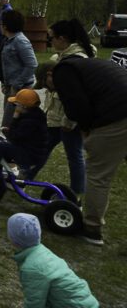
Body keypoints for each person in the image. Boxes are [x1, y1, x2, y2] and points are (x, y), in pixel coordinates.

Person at [41, 56, 127, 245]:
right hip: (120, 105)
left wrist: (88, 131)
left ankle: (92, 228)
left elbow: (77, 108)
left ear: (50, 74)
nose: (50, 90)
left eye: (47, 86)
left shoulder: (62, 72)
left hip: (117, 116)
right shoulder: (81, 65)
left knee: (98, 174)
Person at [34, 19, 95, 200]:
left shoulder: (75, 61)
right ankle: (25, 177)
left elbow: (76, 97)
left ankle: (76, 193)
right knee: (43, 147)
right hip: (57, 116)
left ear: (62, 38)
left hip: (67, 119)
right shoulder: (63, 56)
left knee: (74, 155)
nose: (49, 42)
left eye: (51, 38)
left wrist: (69, 122)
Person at [6, 213, 98, 307]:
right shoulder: (42, 252)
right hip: (84, 301)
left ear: (13, 238)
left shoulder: (31, 268)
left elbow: (34, 303)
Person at [0, 89, 47, 179]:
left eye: (16, 105)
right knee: (4, 147)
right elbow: (20, 134)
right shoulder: (35, 115)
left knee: (0, 146)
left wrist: (15, 117)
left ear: (24, 106)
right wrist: (11, 130)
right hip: (33, 151)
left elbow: (13, 138)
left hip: (30, 155)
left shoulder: (29, 121)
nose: (15, 107)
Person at [0, 10, 37, 128]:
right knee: (9, 122)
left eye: (0, 24)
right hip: (12, 87)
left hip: (22, 89)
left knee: (10, 124)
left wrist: (16, 84)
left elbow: (32, 64)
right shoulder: (8, 40)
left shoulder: (21, 41)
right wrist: (5, 83)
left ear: (5, 26)